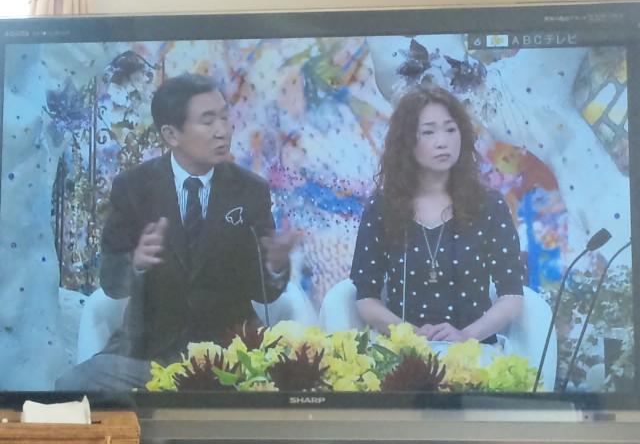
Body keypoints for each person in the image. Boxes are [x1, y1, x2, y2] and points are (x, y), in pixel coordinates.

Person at [56, 73, 299, 391]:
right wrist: (136, 263)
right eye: (208, 121)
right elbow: (112, 285)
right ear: (171, 134)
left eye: (224, 117)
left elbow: (265, 294)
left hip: (227, 358)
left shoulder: (250, 190)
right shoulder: (133, 188)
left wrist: (274, 264)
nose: (223, 131)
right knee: (73, 384)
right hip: (148, 357)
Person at [350, 84, 524, 344]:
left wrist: (466, 336)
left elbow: (512, 296)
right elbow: (366, 299)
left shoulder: (489, 206)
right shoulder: (382, 208)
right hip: (406, 351)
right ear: (406, 142)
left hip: (474, 352)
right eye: (428, 132)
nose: (443, 142)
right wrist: (410, 335)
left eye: (451, 129)